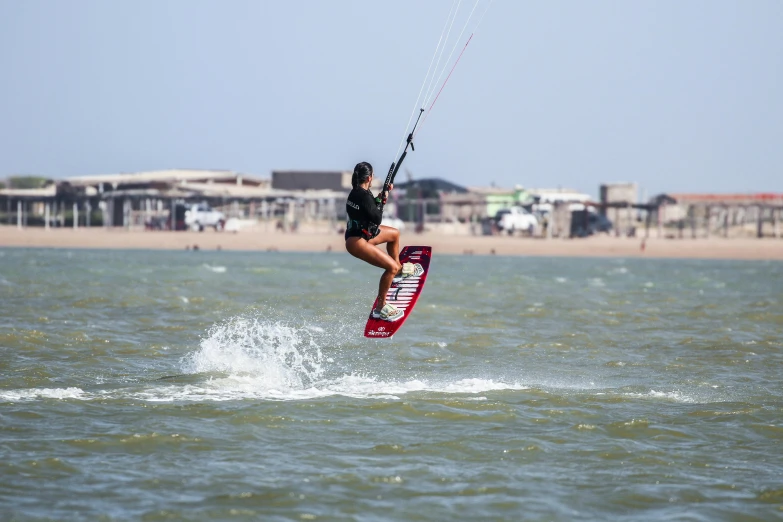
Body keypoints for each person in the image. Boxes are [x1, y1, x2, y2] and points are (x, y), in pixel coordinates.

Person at [345, 161, 421, 322]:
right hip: (357, 242)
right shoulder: (363, 196)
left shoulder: (356, 192)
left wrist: (380, 198)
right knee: (390, 268)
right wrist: (383, 201)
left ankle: (398, 270)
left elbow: (369, 209)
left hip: (362, 235)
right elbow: (377, 218)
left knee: (394, 234)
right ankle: (381, 307)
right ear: (370, 177)